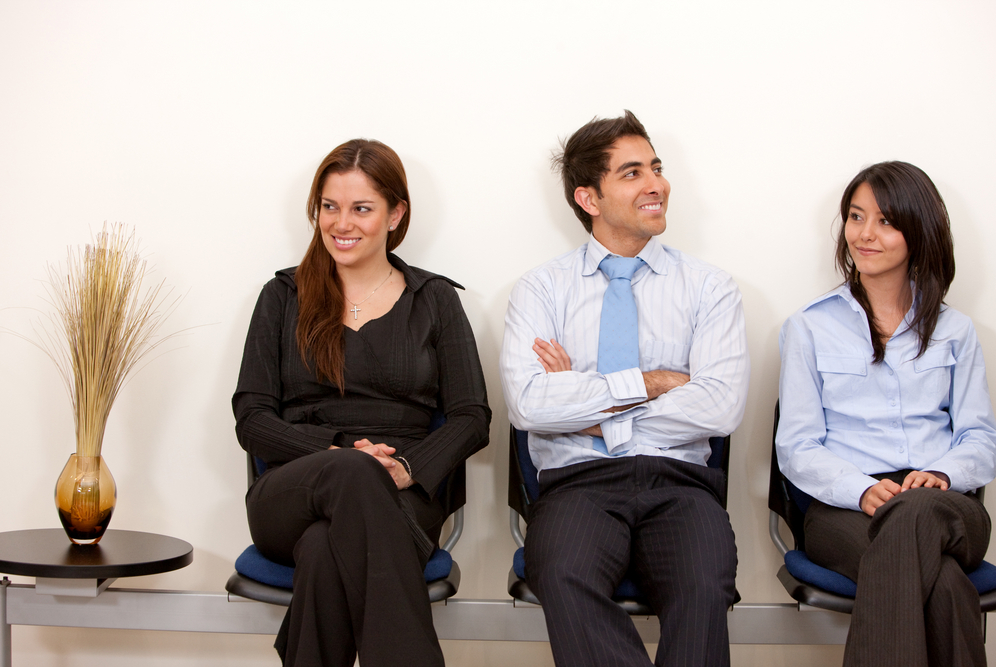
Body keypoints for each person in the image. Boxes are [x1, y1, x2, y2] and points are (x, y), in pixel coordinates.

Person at [499, 111, 749, 667]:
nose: (657, 183)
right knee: (562, 575)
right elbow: (528, 405)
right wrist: (655, 383)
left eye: (656, 168)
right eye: (632, 173)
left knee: (705, 587)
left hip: (681, 483)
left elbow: (719, 405)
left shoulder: (710, 289)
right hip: (575, 483)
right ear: (589, 198)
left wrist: (582, 400)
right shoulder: (542, 289)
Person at [232, 139, 491, 667]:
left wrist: (405, 466)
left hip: (403, 492)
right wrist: (344, 452)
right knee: (350, 471)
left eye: (361, 208)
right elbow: (252, 419)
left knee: (327, 552)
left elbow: (472, 418)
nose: (340, 223)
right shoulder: (282, 297)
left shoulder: (435, 300)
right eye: (329, 206)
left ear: (396, 214)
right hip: (294, 489)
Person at [776, 161, 996, 666]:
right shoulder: (809, 328)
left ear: (918, 232)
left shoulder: (956, 330)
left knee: (916, 512)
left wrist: (941, 474)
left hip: (943, 503)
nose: (865, 234)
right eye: (856, 217)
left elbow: (981, 438)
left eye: (886, 221)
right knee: (943, 585)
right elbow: (797, 446)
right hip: (846, 507)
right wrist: (859, 487)